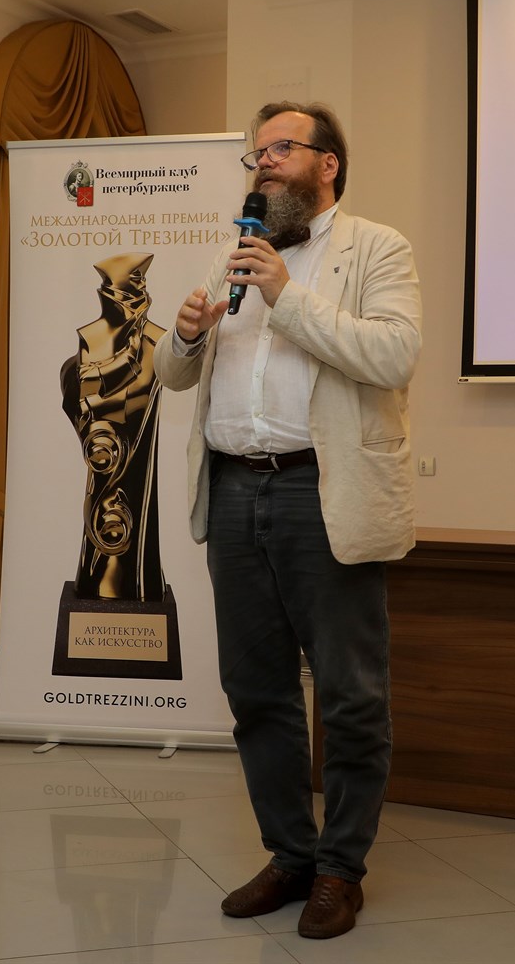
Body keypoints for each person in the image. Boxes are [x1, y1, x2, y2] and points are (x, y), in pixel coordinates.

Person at [155, 102, 421, 939]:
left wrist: (285, 293)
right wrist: (185, 336)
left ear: (327, 163)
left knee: (348, 693)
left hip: (321, 491)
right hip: (234, 491)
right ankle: (290, 854)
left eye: (280, 148)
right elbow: (174, 375)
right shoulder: (231, 252)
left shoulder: (377, 248)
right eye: (256, 152)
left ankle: (341, 868)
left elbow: (394, 354)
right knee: (256, 690)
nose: (262, 161)